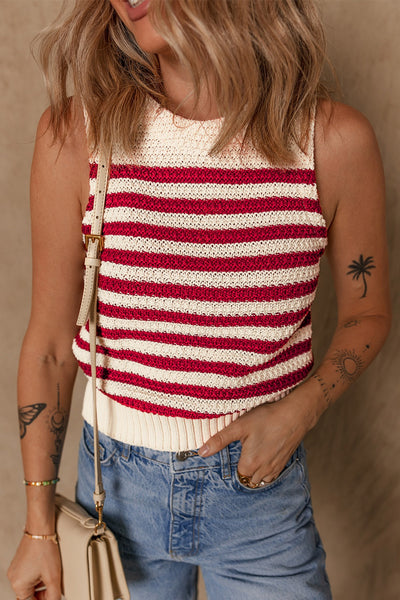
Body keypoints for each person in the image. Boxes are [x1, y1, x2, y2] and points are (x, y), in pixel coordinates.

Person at [8, 1, 391, 599]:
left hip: (261, 499)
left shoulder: (332, 141)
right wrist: (38, 526)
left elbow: (368, 314)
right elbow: (52, 346)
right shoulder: (78, 134)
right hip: (115, 497)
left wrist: (300, 411)